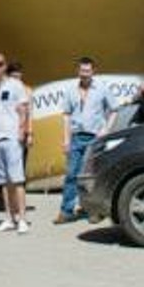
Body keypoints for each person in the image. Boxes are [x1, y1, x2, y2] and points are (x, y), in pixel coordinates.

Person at [57, 56, 113, 224]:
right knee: (71, 175)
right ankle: (66, 211)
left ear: (93, 71)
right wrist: (66, 140)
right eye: (82, 70)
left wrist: (106, 129)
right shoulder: (70, 90)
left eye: (87, 71)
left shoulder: (102, 89)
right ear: (78, 71)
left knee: (91, 176)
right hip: (76, 137)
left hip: (94, 138)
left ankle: (94, 211)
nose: (84, 74)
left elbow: (114, 110)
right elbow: (66, 115)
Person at [0, 53, 31, 233]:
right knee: (2, 182)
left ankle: (22, 219)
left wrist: (22, 131)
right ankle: (9, 218)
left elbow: (24, 109)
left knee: (17, 180)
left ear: (4, 66)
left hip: (11, 138)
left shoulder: (15, 85)